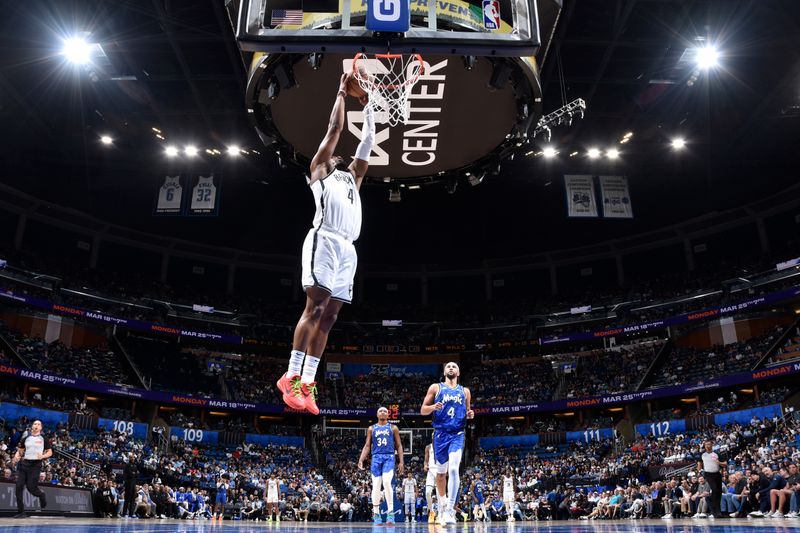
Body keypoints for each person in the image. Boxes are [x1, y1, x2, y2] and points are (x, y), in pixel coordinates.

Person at [276, 73, 374, 415]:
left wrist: (370, 105)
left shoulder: (353, 178)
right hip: (324, 238)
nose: (339, 155)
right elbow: (335, 131)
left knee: (330, 317)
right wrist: (341, 93)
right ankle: (291, 376)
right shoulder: (321, 170)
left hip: (349, 248)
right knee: (315, 308)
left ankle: (309, 384)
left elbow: (367, 144)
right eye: (334, 155)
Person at [420, 362, 475, 525]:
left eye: (454, 366)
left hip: (457, 434)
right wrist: (433, 407)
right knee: (441, 474)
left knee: (453, 468)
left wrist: (470, 414)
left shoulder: (465, 391)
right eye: (448, 366)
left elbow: (467, 412)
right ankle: (443, 506)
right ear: (444, 371)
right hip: (440, 435)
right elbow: (423, 410)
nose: (451, 368)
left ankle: (450, 509)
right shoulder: (435, 388)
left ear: (458, 372)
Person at [358, 406, 405, 525]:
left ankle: (390, 513)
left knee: (387, 482)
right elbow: (367, 445)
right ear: (377, 415)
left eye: (385, 411)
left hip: (389, 457)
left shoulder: (393, 428)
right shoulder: (371, 428)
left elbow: (399, 445)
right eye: (381, 411)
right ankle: (376, 513)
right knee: (376, 486)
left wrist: (401, 462)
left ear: (388, 415)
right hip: (376, 458)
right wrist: (361, 459)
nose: (383, 412)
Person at [11, 420, 51, 518]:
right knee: (18, 487)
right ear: (32, 426)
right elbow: (20, 450)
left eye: (38, 424)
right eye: (34, 424)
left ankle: (42, 495)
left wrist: (43, 456)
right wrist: (16, 457)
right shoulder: (26, 437)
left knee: (31, 487)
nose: (36, 425)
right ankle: (21, 512)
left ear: (41, 428)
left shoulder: (43, 438)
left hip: (35, 465)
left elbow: (50, 452)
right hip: (24, 464)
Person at [699, 439, 722, 518]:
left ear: (712, 445)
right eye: (706, 444)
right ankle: (715, 510)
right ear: (704, 446)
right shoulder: (702, 454)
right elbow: (699, 464)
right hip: (708, 474)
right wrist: (700, 471)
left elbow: (725, 463)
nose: (707, 446)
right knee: (715, 490)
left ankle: (716, 511)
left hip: (717, 473)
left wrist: (719, 462)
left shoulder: (717, 453)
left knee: (719, 492)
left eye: (709, 444)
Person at [423, 443, 438, 523]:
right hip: (431, 471)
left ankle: (440, 515)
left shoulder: (442, 444)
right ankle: (431, 512)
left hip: (439, 471)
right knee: (428, 492)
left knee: (440, 495)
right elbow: (426, 461)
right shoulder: (428, 447)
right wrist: (425, 465)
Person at [122, 453, 138, 518]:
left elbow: (136, 474)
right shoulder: (127, 465)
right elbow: (127, 474)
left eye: (134, 457)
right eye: (132, 457)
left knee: (133, 499)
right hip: (128, 483)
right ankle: (124, 513)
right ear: (130, 458)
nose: (133, 458)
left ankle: (131, 513)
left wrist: (133, 474)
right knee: (127, 499)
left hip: (133, 483)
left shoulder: (135, 465)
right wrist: (132, 474)